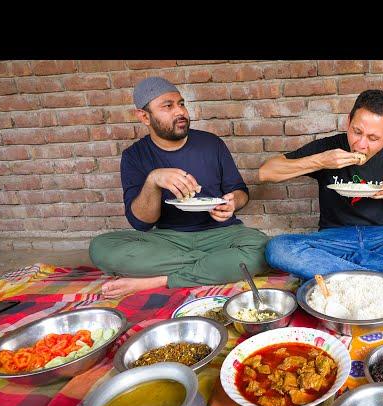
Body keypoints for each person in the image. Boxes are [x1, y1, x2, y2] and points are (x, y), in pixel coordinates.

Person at [89, 77, 268, 298]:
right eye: (168, 106)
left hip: (222, 234)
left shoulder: (211, 144)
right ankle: (217, 265)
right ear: (144, 116)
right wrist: (153, 181)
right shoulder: (134, 156)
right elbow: (141, 223)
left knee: (263, 249)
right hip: (168, 240)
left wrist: (233, 202)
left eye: (181, 104)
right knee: (100, 247)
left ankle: (161, 280)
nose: (180, 112)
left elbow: (240, 191)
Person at [259, 90, 383, 291]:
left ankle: (339, 272)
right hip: (333, 239)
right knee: (277, 249)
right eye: (357, 132)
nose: (361, 144)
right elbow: (266, 172)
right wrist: (320, 161)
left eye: (373, 138)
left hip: (381, 239)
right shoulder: (330, 148)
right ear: (348, 122)